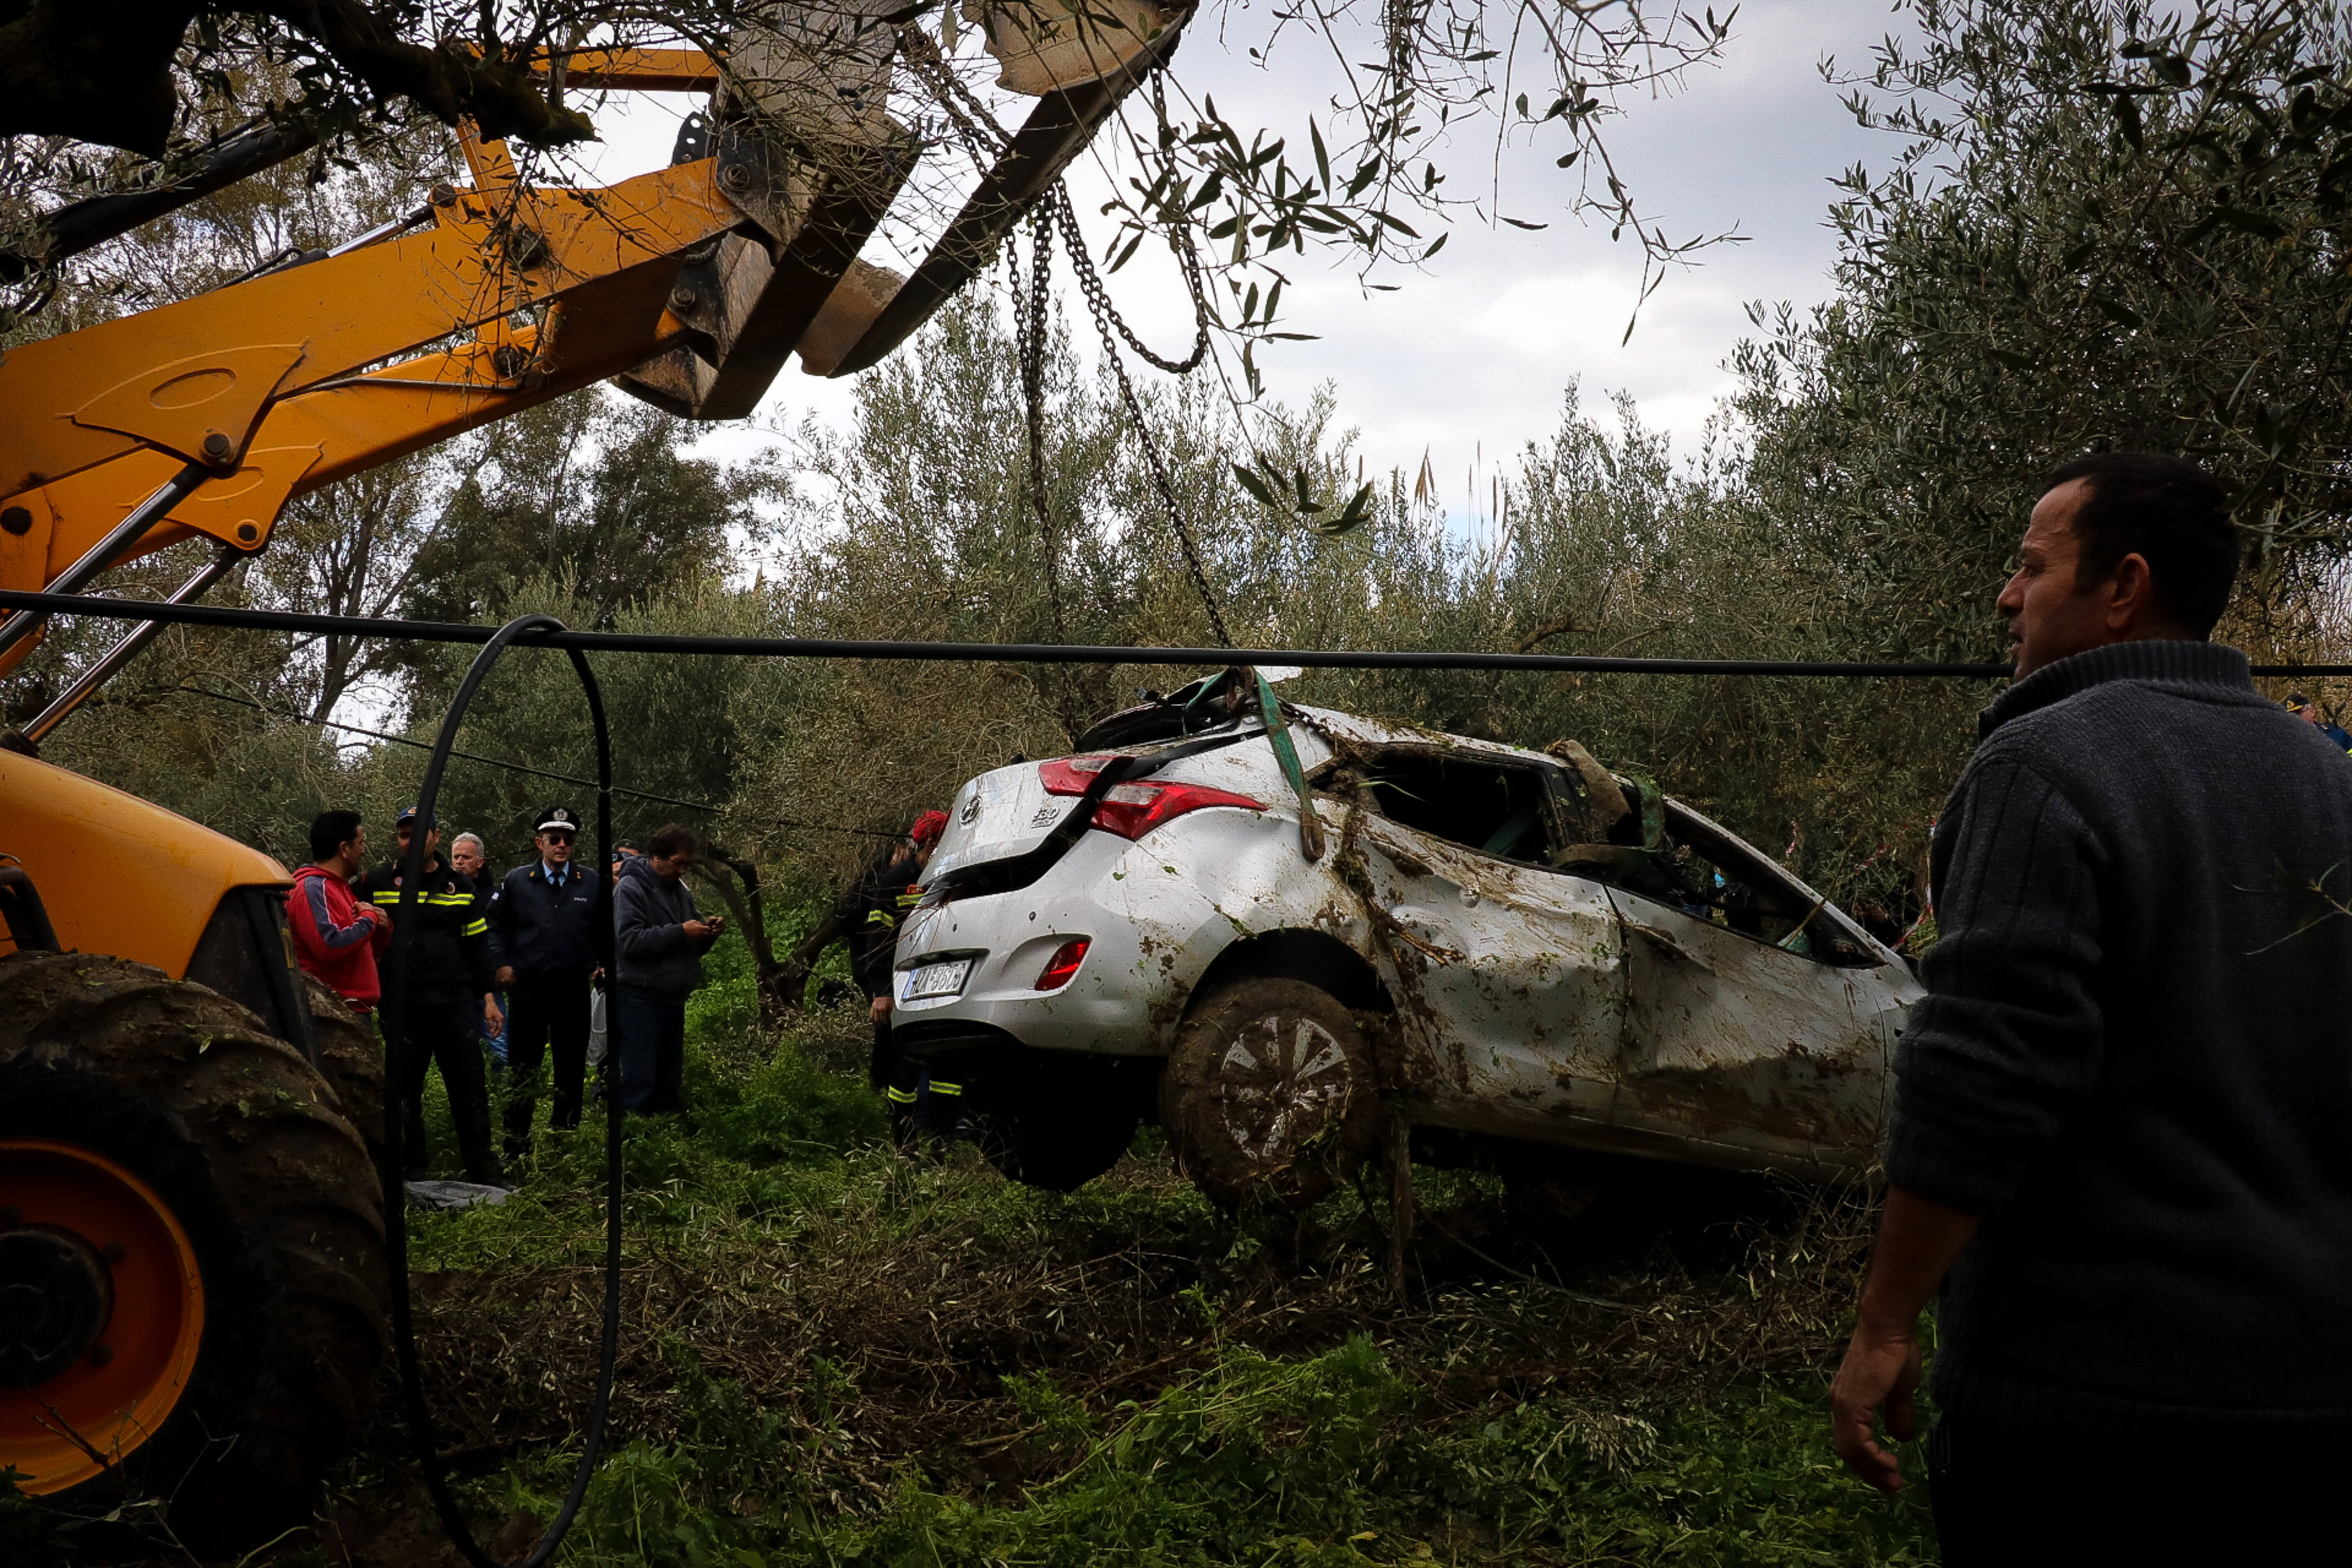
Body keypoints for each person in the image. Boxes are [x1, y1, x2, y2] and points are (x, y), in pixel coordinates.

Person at [1828, 453, 2352, 1560]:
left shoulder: (2041, 766)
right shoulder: (2327, 779)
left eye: (2029, 566)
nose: (2004, 595)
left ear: (2121, 583)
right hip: (2313, 1401)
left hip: (2089, 1418)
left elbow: (1980, 1075)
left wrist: (1883, 1320)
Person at [359, 807, 505, 1186]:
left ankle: (483, 1169)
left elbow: (477, 947)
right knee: (404, 1091)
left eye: (419, 832)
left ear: (437, 837)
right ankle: (410, 1169)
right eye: (404, 834)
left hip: (454, 1003)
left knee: (469, 1087)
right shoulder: (377, 881)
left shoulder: (460, 885)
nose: (411, 840)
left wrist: (488, 997)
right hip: (402, 1005)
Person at [487, 805, 603, 1161]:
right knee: (523, 1067)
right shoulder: (518, 881)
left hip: (572, 990)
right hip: (529, 990)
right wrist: (501, 964)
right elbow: (494, 926)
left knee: (569, 1068)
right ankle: (515, 1147)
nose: (562, 845)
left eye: (568, 839)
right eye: (555, 839)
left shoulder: (591, 881)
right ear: (540, 842)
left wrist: (602, 964)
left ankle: (563, 1143)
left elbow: (603, 931)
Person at [840, 811, 949, 1149]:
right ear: (932, 843)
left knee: (949, 1073)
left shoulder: (955, 880)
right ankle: (905, 1144)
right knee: (904, 1069)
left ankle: (943, 1145)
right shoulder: (895, 882)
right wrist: (882, 993)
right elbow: (878, 943)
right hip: (907, 989)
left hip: (947, 986)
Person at [611, 824, 723, 1114]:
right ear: (657, 856)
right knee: (640, 1079)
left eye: (687, 864)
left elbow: (691, 942)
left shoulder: (680, 892)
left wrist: (709, 933)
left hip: (673, 997)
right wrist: (680, 932)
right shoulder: (631, 888)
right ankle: (632, 1144)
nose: (683, 870)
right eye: (678, 863)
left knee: (668, 1081)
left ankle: (663, 1144)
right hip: (640, 998)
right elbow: (630, 941)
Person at [288, 809, 389, 1014]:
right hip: (331, 1015)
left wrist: (381, 929)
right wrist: (369, 919)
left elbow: (358, 953)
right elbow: (330, 945)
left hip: (351, 1011)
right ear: (344, 849)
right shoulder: (313, 889)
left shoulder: (340, 889)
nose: (363, 850)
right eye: (360, 843)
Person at [450, 831, 508, 1068]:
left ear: (480, 862)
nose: (460, 862)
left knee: (499, 1051)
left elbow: (507, 934)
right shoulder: (445, 894)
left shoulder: (497, 897)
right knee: (461, 1050)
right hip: (457, 985)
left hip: (490, 985)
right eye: (456, 857)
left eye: (466, 857)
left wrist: (506, 964)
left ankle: (503, 1100)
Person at [2288, 691, 2352, 752]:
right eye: (2290, 716)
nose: (2294, 718)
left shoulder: (2336, 735)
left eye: (2298, 713)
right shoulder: (2289, 743)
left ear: (2312, 711)